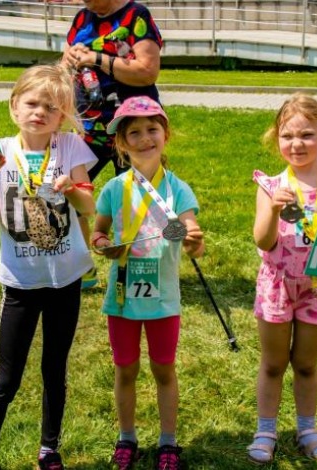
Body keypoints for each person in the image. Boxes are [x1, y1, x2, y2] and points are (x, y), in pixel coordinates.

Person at [0, 64, 97, 470]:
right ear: (14, 107)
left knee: (54, 370)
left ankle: (49, 450)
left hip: (66, 280)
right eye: (32, 103)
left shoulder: (71, 147)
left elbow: (89, 205)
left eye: (52, 106)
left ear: (62, 116)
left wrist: (73, 189)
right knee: (7, 377)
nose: (40, 112)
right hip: (21, 283)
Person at [90, 96, 204, 470]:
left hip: (164, 299)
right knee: (125, 369)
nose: (144, 139)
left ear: (165, 135)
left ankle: (168, 442)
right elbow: (99, 232)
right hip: (122, 297)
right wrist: (103, 244)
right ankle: (127, 437)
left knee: (163, 369)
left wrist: (194, 239)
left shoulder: (178, 189)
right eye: (134, 133)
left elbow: (192, 234)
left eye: (152, 130)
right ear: (122, 143)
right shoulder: (113, 189)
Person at [247, 94, 317, 464]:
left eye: (307, 135)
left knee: (307, 364)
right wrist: (275, 209)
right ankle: (266, 430)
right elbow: (262, 240)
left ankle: (307, 429)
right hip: (277, 287)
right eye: (287, 135)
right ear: (277, 138)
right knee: (273, 363)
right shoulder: (271, 186)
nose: (296, 144)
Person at [63, 0, 164, 289]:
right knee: (66, 194)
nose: (84, 2)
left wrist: (96, 58)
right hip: (89, 132)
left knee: (136, 204)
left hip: (131, 131)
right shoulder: (82, 17)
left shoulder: (136, 16)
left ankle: (137, 269)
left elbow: (147, 71)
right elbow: (65, 63)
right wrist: (70, 59)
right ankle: (83, 267)